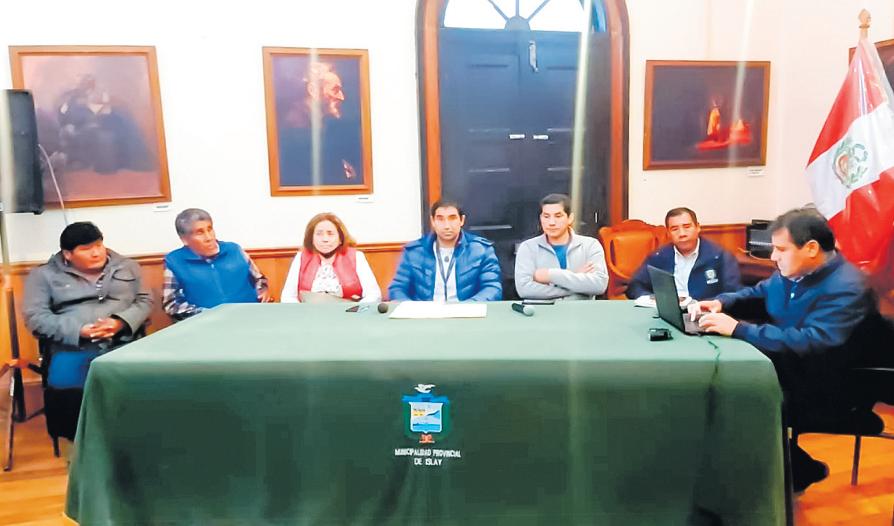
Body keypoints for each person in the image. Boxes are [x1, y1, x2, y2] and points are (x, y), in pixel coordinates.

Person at [692, 208, 884, 493]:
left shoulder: (848, 287)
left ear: (811, 249)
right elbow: (758, 293)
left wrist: (739, 329)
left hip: (836, 390)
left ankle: (798, 470)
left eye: (781, 249)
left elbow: (813, 341)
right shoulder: (796, 272)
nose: (773, 257)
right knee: (724, 389)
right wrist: (722, 303)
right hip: (796, 371)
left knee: (736, 398)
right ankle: (791, 470)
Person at [23, 222, 152, 442]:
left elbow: (145, 301)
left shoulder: (127, 266)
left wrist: (120, 322)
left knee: (145, 386)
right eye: (86, 249)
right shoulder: (43, 276)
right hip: (72, 347)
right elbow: (36, 317)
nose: (96, 253)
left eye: (99, 245)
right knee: (66, 394)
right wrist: (78, 331)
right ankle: (79, 449)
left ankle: (135, 442)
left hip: (124, 343)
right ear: (68, 254)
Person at [163, 209, 271, 320]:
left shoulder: (234, 249)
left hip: (249, 317)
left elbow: (259, 279)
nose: (209, 237)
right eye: (200, 233)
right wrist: (207, 314)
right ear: (184, 240)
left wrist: (262, 290)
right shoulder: (174, 261)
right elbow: (172, 305)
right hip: (207, 323)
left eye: (210, 229)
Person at [389, 199, 502, 302]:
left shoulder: (481, 250)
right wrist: (413, 309)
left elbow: (492, 288)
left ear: (462, 220)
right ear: (433, 221)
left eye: (452, 218)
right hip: (425, 315)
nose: (447, 226)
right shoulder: (414, 252)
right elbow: (397, 288)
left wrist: (468, 306)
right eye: (440, 219)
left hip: (466, 313)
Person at [626, 207, 741, 301]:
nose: (682, 234)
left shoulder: (720, 255)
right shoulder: (658, 256)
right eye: (675, 229)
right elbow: (635, 285)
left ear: (698, 227)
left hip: (705, 314)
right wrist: (652, 300)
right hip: (667, 313)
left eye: (687, 227)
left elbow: (733, 293)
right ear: (668, 233)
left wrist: (713, 304)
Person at [277, 61, 362, 186]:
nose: (342, 97)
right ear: (313, 90)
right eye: (335, 90)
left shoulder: (326, 125)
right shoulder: (295, 128)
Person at [515, 194, 609, 300]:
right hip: (543, 309)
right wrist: (575, 281)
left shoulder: (590, 245)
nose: (551, 223)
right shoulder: (528, 248)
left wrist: (550, 275)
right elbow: (524, 289)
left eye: (558, 216)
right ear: (540, 218)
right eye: (546, 216)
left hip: (581, 309)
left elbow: (599, 284)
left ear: (570, 218)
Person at [280, 212, 381, 303]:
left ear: (340, 239)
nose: (325, 239)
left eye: (330, 234)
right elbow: (288, 297)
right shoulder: (301, 258)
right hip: (310, 314)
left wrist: (355, 310)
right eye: (319, 234)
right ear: (311, 239)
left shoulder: (357, 257)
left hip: (348, 314)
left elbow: (374, 295)